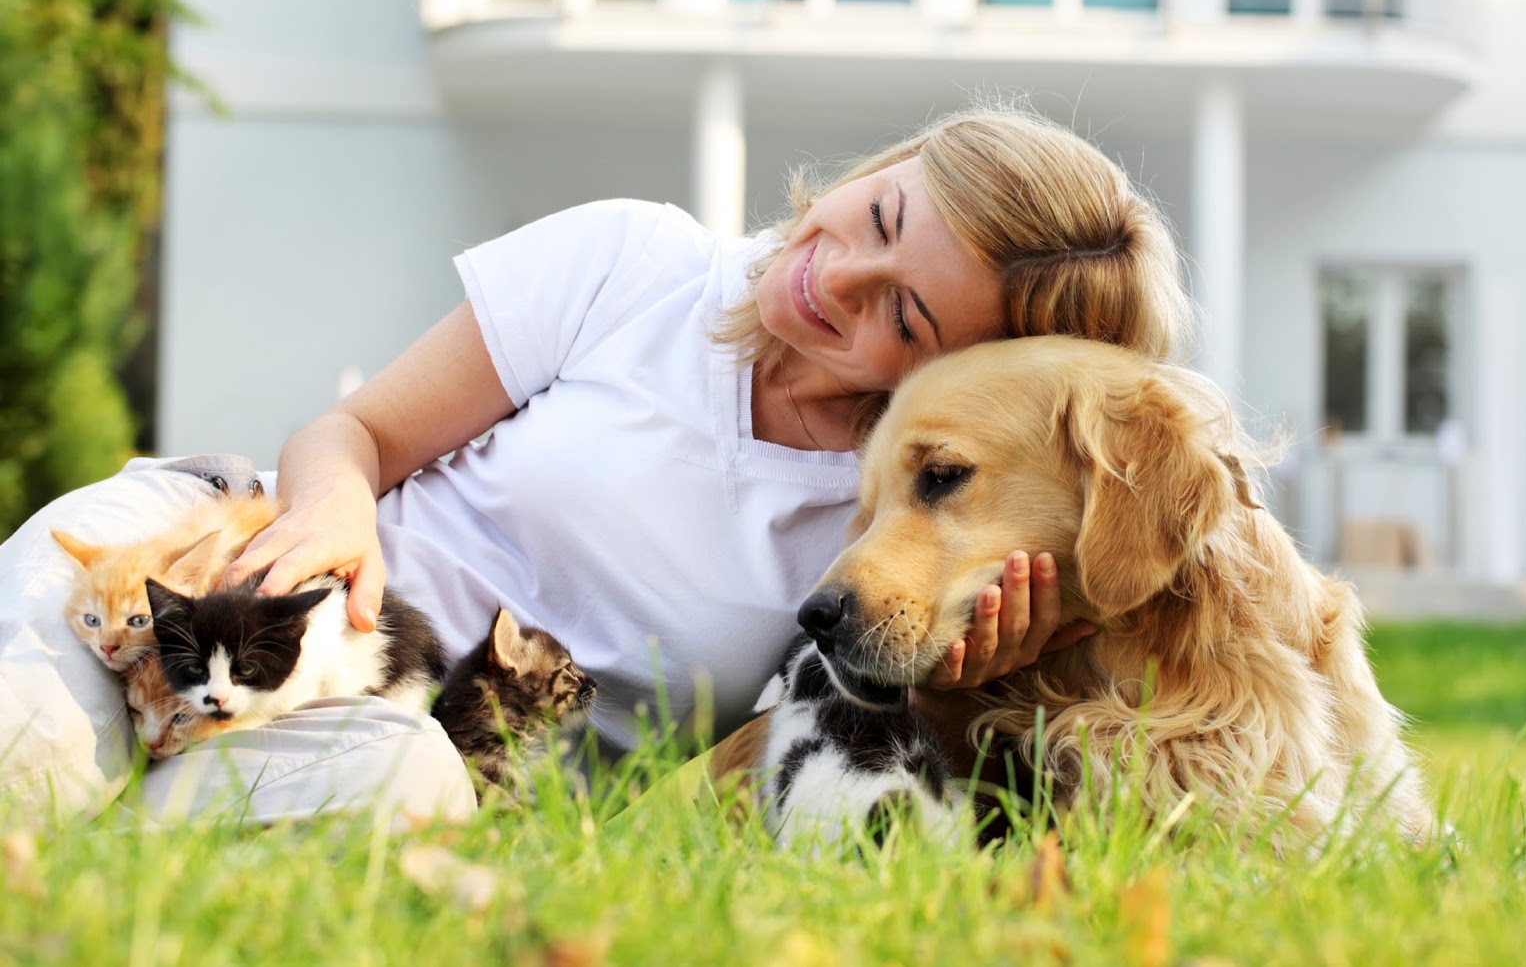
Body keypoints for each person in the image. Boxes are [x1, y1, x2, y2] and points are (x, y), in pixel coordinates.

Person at [0, 101, 1194, 824]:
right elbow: (352, 435)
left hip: (403, 740)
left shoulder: (889, 521)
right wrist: (332, 512)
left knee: (396, 795)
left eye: (909, 320)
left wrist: (950, 676)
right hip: (214, 571)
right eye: (880, 218)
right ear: (891, 161)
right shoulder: (643, 263)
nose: (835, 280)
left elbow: (799, 754)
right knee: (25, 750)